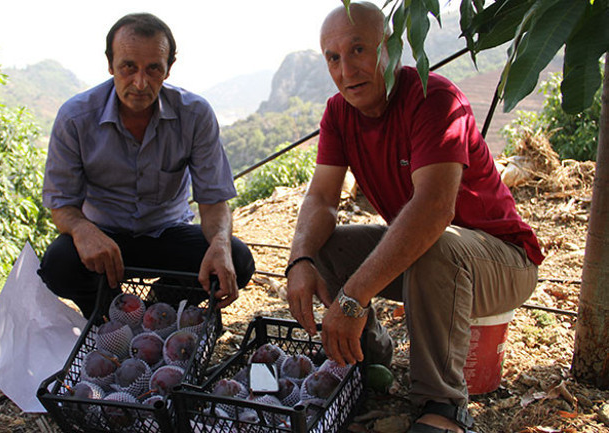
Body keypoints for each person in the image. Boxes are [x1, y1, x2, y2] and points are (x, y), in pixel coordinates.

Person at [285, 3, 544, 433]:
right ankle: (362, 357)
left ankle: (443, 406)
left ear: (391, 49)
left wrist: (352, 298)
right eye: (333, 57)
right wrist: (299, 260)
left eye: (359, 49)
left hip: (504, 262)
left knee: (435, 244)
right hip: (431, 262)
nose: (347, 70)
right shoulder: (338, 113)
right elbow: (321, 199)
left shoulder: (433, 98)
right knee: (324, 248)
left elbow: (433, 210)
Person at [38, 12, 255, 320]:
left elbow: (213, 201)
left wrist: (219, 244)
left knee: (238, 260)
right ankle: (106, 315)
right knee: (59, 264)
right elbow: (61, 204)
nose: (140, 83)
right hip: (106, 236)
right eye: (128, 67)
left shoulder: (195, 115)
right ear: (110, 64)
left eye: (153, 68)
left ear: (168, 69)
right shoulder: (75, 118)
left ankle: (160, 307)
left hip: (168, 231)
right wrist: (82, 229)